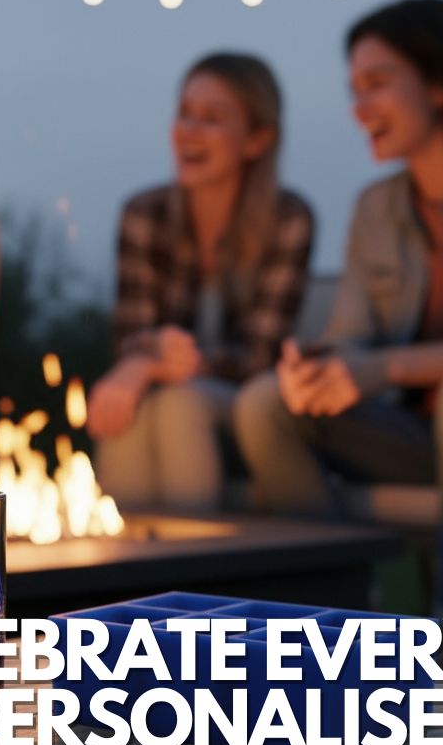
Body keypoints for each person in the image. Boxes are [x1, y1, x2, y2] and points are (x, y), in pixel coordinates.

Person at [234, 0, 443, 624]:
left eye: (377, 83)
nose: (360, 109)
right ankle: (333, 624)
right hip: (422, 437)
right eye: (354, 90)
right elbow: (352, 337)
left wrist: (385, 369)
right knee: (266, 402)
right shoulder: (376, 207)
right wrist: (321, 363)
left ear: (441, 83)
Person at [86, 53, 314, 510]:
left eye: (211, 119)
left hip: (248, 409)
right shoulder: (144, 214)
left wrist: (152, 364)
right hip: (164, 396)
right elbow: (133, 333)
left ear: (257, 139)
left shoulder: (288, 218)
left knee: (176, 405)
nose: (188, 130)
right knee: (129, 410)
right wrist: (144, 363)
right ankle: (123, 569)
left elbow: (259, 356)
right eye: (185, 113)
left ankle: (189, 569)